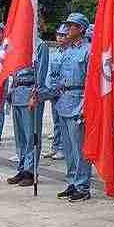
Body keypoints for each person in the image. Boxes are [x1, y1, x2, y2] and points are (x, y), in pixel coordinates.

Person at [33, 13, 91, 202]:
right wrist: (42, 94)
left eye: (72, 26)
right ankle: (73, 181)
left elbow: (92, 82)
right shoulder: (65, 52)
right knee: (68, 147)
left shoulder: (88, 51)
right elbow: (56, 79)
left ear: (81, 29)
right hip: (62, 102)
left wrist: (85, 106)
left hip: (78, 102)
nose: (67, 29)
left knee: (79, 148)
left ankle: (83, 185)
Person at [4, 32, 50, 187]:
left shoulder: (40, 45)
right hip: (17, 93)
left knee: (32, 135)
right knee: (20, 136)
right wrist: (11, 91)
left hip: (30, 92)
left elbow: (41, 74)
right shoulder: (18, 44)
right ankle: (22, 167)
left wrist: (35, 95)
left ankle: (31, 170)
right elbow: (14, 72)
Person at [41, 25, 69, 161]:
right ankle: (55, 146)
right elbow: (49, 73)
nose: (60, 38)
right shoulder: (55, 52)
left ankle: (63, 148)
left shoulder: (69, 52)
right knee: (56, 121)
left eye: (63, 35)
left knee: (63, 121)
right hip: (54, 92)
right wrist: (48, 89)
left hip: (64, 92)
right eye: (58, 35)